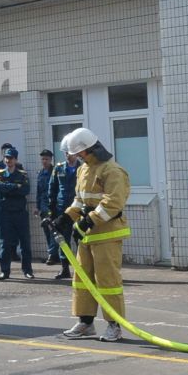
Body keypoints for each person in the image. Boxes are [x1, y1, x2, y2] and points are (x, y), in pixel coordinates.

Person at [54, 128, 131, 341]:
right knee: (82, 280)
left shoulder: (113, 171)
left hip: (107, 234)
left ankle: (114, 324)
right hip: (87, 235)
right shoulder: (83, 170)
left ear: (91, 149)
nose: (78, 157)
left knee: (108, 281)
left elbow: (113, 203)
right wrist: (67, 217)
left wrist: (89, 220)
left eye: (80, 154)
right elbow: (80, 200)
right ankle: (85, 322)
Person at [0, 144, 33, 280]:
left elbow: (26, 190)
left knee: (25, 242)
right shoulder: (0, 173)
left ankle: (27, 270)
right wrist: (16, 186)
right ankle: (4, 271)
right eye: (6, 158)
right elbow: (0, 187)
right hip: (5, 213)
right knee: (5, 243)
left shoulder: (22, 174)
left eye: (11, 158)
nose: (8, 160)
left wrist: (11, 188)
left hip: (20, 213)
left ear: (15, 160)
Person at [36, 149, 70, 281]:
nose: (44, 161)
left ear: (51, 160)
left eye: (46, 159)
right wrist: (38, 207)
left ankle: (52, 254)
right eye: (42, 159)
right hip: (44, 207)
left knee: (55, 232)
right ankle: (53, 254)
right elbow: (39, 192)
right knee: (47, 231)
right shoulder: (41, 173)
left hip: (55, 208)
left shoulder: (55, 170)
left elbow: (55, 190)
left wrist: (54, 208)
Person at [49, 147, 80, 280]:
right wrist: (52, 208)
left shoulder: (83, 168)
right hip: (62, 207)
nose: (68, 155)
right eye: (66, 153)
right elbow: (52, 187)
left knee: (80, 238)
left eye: (71, 153)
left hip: (78, 207)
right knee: (63, 239)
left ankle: (83, 268)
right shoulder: (59, 167)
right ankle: (65, 268)